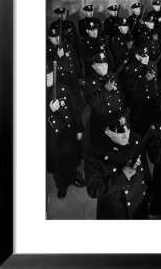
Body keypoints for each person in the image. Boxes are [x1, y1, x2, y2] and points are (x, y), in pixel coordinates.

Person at [84, 108, 150, 219]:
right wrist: (122, 177)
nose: (126, 135)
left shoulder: (136, 139)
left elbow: (144, 169)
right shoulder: (95, 155)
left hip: (139, 203)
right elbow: (93, 190)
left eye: (127, 129)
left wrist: (150, 191)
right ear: (107, 132)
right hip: (116, 210)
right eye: (119, 132)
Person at [46, 62, 85, 199]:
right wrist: (50, 110)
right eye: (45, 75)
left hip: (68, 132)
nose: (48, 77)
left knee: (71, 157)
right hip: (51, 137)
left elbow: (75, 110)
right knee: (57, 163)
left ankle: (73, 177)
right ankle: (61, 186)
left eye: (50, 73)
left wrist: (79, 128)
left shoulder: (63, 88)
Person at [83, 51, 125, 145]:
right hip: (103, 120)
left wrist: (124, 110)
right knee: (105, 145)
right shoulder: (89, 81)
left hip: (117, 116)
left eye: (106, 64)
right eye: (100, 65)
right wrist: (106, 90)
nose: (104, 67)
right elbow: (92, 102)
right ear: (94, 66)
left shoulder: (112, 75)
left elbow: (120, 95)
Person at [46, 27, 83, 112]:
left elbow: (75, 61)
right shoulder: (47, 50)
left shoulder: (68, 45)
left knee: (78, 103)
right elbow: (47, 67)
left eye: (58, 36)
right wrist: (57, 57)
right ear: (48, 38)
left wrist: (80, 76)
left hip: (72, 77)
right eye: (53, 37)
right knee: (67, 105)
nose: (57, 39)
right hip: (60, 81)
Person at [125, 46, 159, 135]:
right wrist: (145, 79)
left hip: (152, 100)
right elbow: (131, 88)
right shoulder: (131, 68)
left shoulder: (153, 65)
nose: (146, 58)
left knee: (152, 124)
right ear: (137, 56)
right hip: (139, 102)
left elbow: (156, 84)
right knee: (140, 126)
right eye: (143, 56)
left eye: (147, 56)